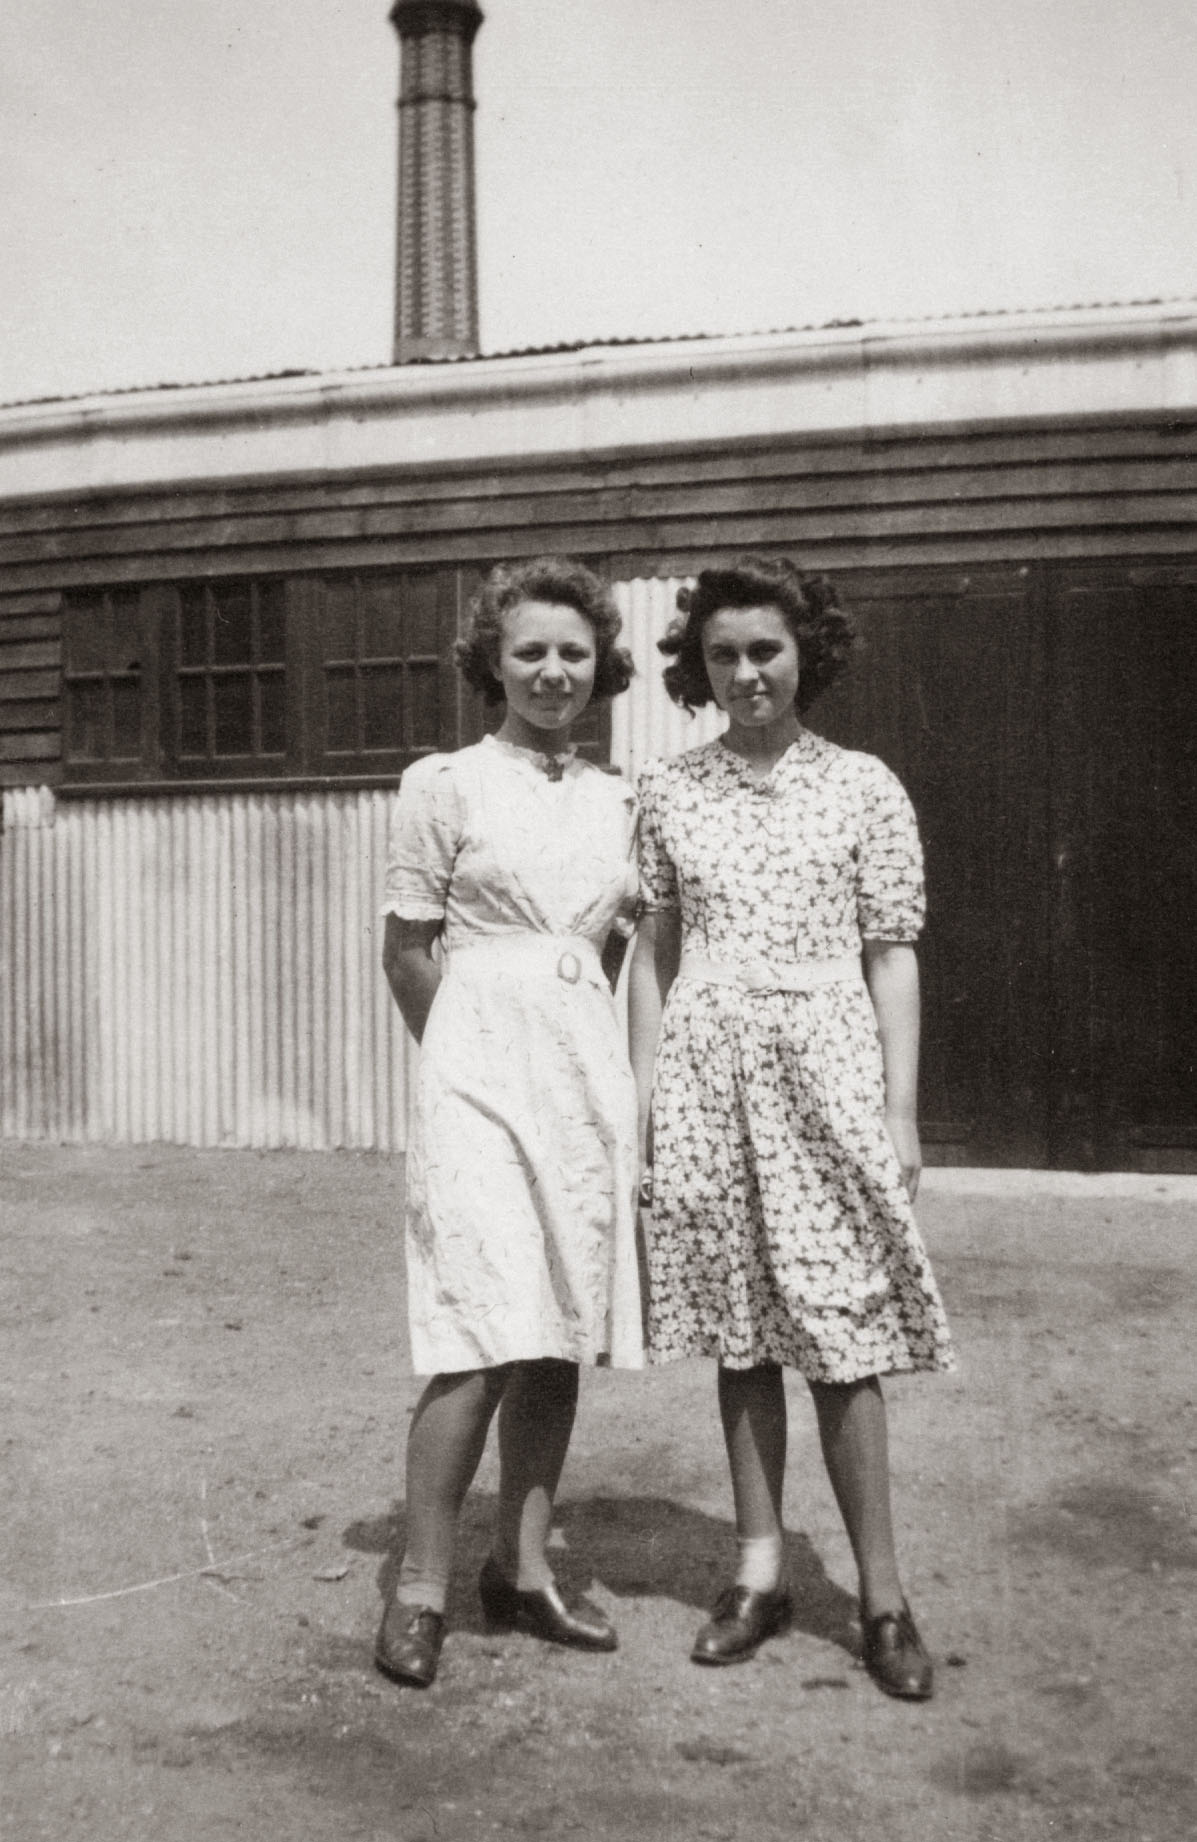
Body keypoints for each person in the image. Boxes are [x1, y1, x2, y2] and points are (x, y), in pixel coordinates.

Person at [628, 554, 954, 1700]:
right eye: (722, 654)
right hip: (709, 1078)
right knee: (742, 1330)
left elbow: (891, 955)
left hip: (826, 1076)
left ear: (805, 651)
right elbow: (654, 954)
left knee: (844, 1336)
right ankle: (759, 1571)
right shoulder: (670, 790)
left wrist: (900, 1110)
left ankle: (883, 1597)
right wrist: (649, 1100)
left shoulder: (864, 786)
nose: (746, 672)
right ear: (699, 667)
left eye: (764, 649)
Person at [375, 556, 642, 1690]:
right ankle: (420, 1588)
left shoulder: (620, 801)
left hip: (581, 1083)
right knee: (478, 1333)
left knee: (555, 1330)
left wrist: (575, 1044)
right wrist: (467, 1059)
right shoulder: (442, 784)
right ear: (492, 660)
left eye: (573, 652)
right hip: (476, 1077)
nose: (551, 670)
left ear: (599, 667)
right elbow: (406, 951)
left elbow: (606, 954)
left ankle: (522, 1573)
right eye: (529, 650)